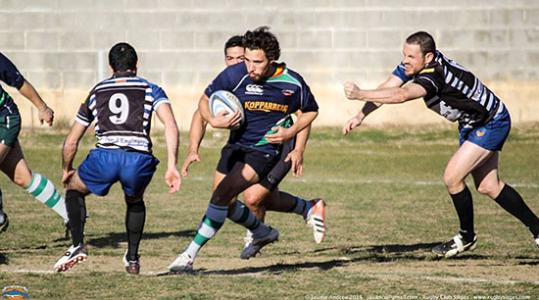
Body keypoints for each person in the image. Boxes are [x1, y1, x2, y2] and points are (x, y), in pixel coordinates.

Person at [343, 31, 539, 258]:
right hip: (472, 123)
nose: (405, 60)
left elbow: (401, 94)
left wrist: (359, 93)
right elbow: (389, 86)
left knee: (452, 177)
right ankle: (536, 229)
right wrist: (361, 115)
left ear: (428, 57)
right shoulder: (418, 64)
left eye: (410, 57)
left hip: (491, 121)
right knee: (488, 186)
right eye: (404, 55)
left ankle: (466, 237)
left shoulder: (434, 74)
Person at [168, 26, 319, 273]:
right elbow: (204, 101)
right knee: (224, 204)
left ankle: (188, 255)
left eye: (257, 62)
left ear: (271, 59)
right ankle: (262, 232)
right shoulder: (236, 74)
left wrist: (291, 135)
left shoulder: (292, 83)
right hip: (235, 146)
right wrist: (213, 121)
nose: (250, 67)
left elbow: (311, 110)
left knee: (221, 196)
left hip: (264, 151)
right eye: (247, 60)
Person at [53, 42, 181, 274]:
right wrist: (172, 165)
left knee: (74, 189)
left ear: (111, 66)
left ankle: (77, 245)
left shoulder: (98, 90)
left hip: (105, 158)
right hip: (138, 159)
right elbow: (171, 124)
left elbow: (72, 140)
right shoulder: (151, 88)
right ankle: (132, 259)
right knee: (135, 201)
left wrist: (67, 168)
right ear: (136, 65)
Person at [0, 52, 68, 236]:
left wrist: (42, 107)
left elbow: (19, 82)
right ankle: (72, 216)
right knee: (23, 177)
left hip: (5, 119)